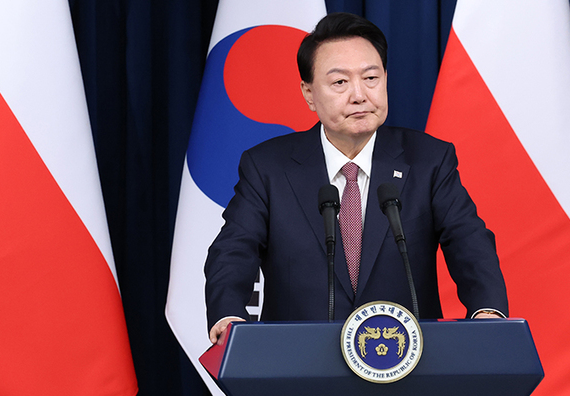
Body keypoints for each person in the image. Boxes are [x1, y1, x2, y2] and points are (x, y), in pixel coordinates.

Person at [205, 12, 508, 345]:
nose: (359, 95)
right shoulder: (267, 167)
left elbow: (469, 243)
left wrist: (487, 310)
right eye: (340, 82)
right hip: (299, 360)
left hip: (405, 356)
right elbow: (233, 250)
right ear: (309, 93)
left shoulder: (428, 160)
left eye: (371, 78)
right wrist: (228, 314)